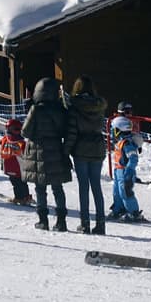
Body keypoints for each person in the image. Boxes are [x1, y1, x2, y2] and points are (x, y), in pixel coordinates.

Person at [20, 77, 75, 231]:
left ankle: (43, 220)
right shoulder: (60, 110)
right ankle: (61, 221)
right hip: (56, 150)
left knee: (40, 188)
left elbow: (25, 131)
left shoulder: (35, 109)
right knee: (57, 188)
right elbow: (65, 130)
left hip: (38, 152)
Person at [65, 76, 108, 235]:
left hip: (81, 148)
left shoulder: (74, 106)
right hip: (97, 147)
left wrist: (66, 150)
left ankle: (85, 223)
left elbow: (72, 131)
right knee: (96, 186)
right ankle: (101, 223)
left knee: (83, 186)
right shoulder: (99, 105)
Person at [108, 104, 143, 223]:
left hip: (125, 172)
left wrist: (129, 170)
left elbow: (133, 158)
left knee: (126, 192)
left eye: (114, 130)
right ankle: (119, 209)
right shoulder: (120, 141)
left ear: (120, 130)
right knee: (117, 192)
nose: (112, 133)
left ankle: (134, 213)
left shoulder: (127, 143)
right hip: (118, 171)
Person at [0, 116, 28, 205]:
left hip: (14, 167)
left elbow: (0, 150)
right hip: (16, 167)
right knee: (21, 183)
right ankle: (25, 197)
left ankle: (20, 198)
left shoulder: (6, 140)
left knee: (17, 183)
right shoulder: (20, 142)